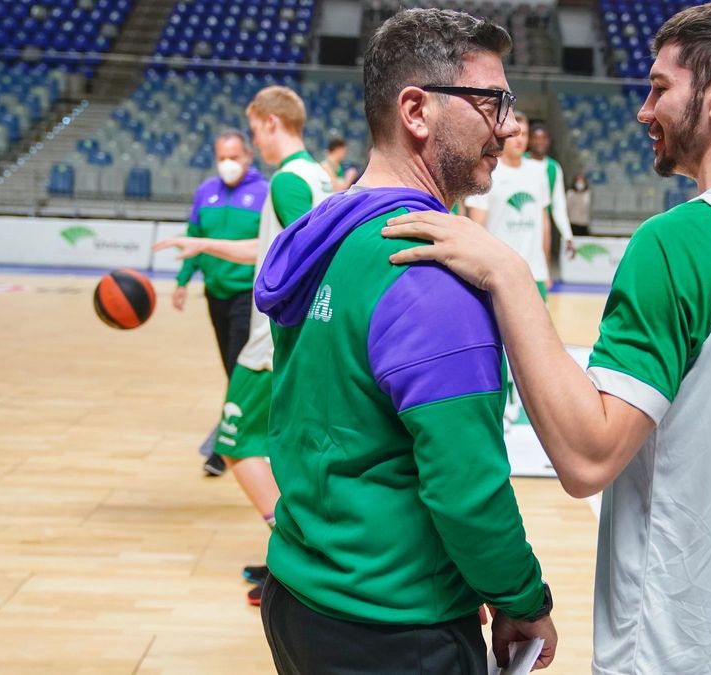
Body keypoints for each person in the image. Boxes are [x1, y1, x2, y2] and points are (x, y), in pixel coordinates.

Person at [383, 2, 711, 672]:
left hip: (678, 645)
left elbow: (587, 458)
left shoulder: (681, 239)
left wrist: (510, 276)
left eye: (661, 87)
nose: (644, 110)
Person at [252, 9, 556, 674]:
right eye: (491, 102)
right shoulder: (430, 276)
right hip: (393, 630)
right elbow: (467, 488)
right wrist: (522, 598)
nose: (507, 127)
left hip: (299, 593)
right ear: (416, 110)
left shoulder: (322, 237)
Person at [155, 85, 336, 605]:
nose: (253, 140)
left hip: (271, 344)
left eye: (254, 128)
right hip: (295, 341)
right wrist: (205, 244)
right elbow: (270, 249)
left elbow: (312, 261)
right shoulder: (317, 174)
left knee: (234, 446)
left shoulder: (287, 182)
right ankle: (293, 557)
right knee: (282, 452)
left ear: (272, 122)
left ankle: (296, 556)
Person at [173, 131, 268, 477]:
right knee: (230, 370)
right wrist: (183, 281)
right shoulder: (205, 192)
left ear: (247, 156)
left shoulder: (265, 193)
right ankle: (253, 434)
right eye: (221, 157)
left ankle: (224, 447)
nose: (228, 163)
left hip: (248, 294)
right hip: (215, 293)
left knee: (237, 368)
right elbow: (194, 239)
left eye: (234, 156)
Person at [463, 111, 554, 297]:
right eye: (513, 135)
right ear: (503, 136)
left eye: (524, 134)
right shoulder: (487, 173)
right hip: (500, 274)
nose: (519, 139)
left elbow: (544, 223)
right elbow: (476, 227)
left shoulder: (538, 173)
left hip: (535, 274)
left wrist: (545, 266)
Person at [526, 123, 576, 257]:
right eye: (536, 138)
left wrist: (568, 236)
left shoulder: (554, 168)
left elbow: (558, 206)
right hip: (518, 223)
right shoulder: (519, 162)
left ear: (549, 141)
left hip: (541, 226)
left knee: (541, 264)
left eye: (543, 138)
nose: (540, 142)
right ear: (529, 140)